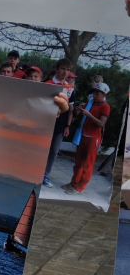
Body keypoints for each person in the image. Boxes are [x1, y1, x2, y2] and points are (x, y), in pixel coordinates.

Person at [61, 83, 111, 195]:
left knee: (87, 164)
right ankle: (73, 183)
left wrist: (88, 114)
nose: (94, 95)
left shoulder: (105, 107)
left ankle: (80, 187)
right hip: (83, 135)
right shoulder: (90, 103)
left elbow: (101, 123)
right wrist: (78, 110)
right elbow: (78, 113)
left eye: (97, 93)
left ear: (103, 94)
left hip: (94, 138)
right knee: (78, 161)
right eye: (94, 93)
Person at [41, 58, 76, 187]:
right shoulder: (48, 83)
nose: (65, 72)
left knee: (54, 152)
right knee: (42, 150)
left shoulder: (70, 88)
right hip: (46, 124)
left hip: (61, 126)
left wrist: (68, 125)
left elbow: (71, 109)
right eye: (63, 69)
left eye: (68, 70)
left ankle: (45, 175)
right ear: (57, 69)